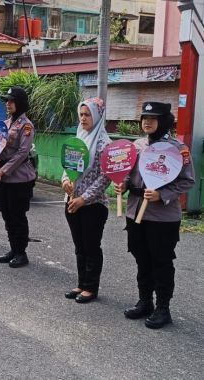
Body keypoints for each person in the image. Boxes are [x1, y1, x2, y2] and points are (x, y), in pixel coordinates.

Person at [114, 102, 194, 329]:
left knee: (161, 261)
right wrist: (124, 185)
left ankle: (163, 308)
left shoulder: (178, 149)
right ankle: (145, 301)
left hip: (162, 217)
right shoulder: (137, 145)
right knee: (141, 258)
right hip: (135, 211)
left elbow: (188, 180)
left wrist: (163, 194)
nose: (147, 122)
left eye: (153, 118)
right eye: (144, 117)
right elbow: (129, 174)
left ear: (165, 121)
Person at [62, 97, 112, 303]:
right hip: (71, 201)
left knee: (91, 246)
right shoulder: (78, 137)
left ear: (98, 116)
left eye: (87, 114)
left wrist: (84, 198)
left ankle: (91, 288)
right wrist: (65, 180)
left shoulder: (104, 144)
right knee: (79, 245)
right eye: (81, 114)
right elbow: (67, 165)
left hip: (93, 205)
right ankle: (81, 283)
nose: (83, 118)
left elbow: (105, 177)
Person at [0, 87, 36, 268]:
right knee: (6, 213)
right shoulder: (4, 124)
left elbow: (22, 153)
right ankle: (13, 248)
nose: (7, 104)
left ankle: (21, 252)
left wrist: (3, 170)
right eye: (6, 101)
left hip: (19, 178)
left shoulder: (26, 126)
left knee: (18, 215)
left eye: (11, 101)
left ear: (20, 103)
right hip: (4, 177)